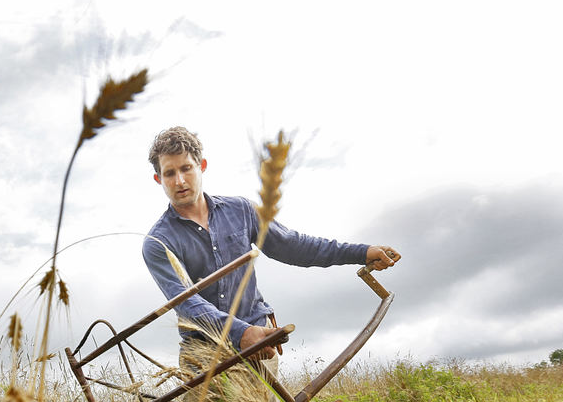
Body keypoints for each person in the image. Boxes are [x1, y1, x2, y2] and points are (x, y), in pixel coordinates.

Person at [141, 126, 399, 367]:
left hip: (260, 339)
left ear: (202, 166)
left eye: (186, 169)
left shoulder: (242, 210)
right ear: (157, 179)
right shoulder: (158, 243)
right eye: (169, 173)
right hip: (204, 357)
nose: (179, 181)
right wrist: (241, 333)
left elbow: (294, 246)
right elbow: (188, 304)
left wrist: (362, 252)